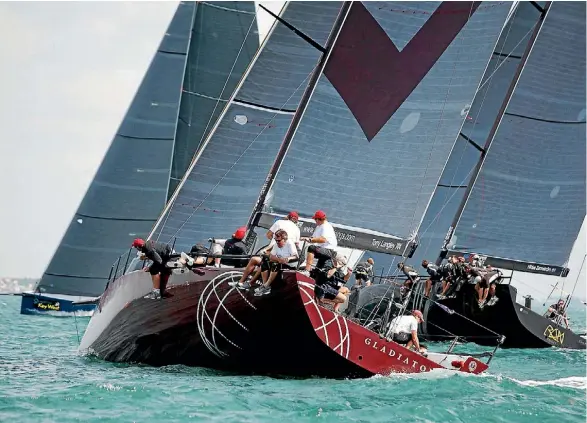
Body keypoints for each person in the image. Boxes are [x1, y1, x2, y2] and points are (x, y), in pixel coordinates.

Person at [253, 229, 299, 296]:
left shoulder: (289, 243)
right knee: (265, 261)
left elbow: (296, 257)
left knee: (275, 264)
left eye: (279, 240)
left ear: (284, 239)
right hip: (280, 262)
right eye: (276, 240)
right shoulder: (276, 244)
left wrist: (287, 259)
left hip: (290, 265)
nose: (277, 242)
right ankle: (265, 285)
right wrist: (278, 259)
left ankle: (266, 285)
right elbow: (271, 256)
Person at [301, 210, 337, 274]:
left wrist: (310, 240)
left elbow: (323, 239)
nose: (315, 221)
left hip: (330, 251)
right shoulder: (319, 226)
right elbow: (313, 238)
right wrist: (304, 238)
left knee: (311, 248)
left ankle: (307, 270)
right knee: (317, 272)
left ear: (318, 219)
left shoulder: (326, 226)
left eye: (315, 219)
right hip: (324, 250)